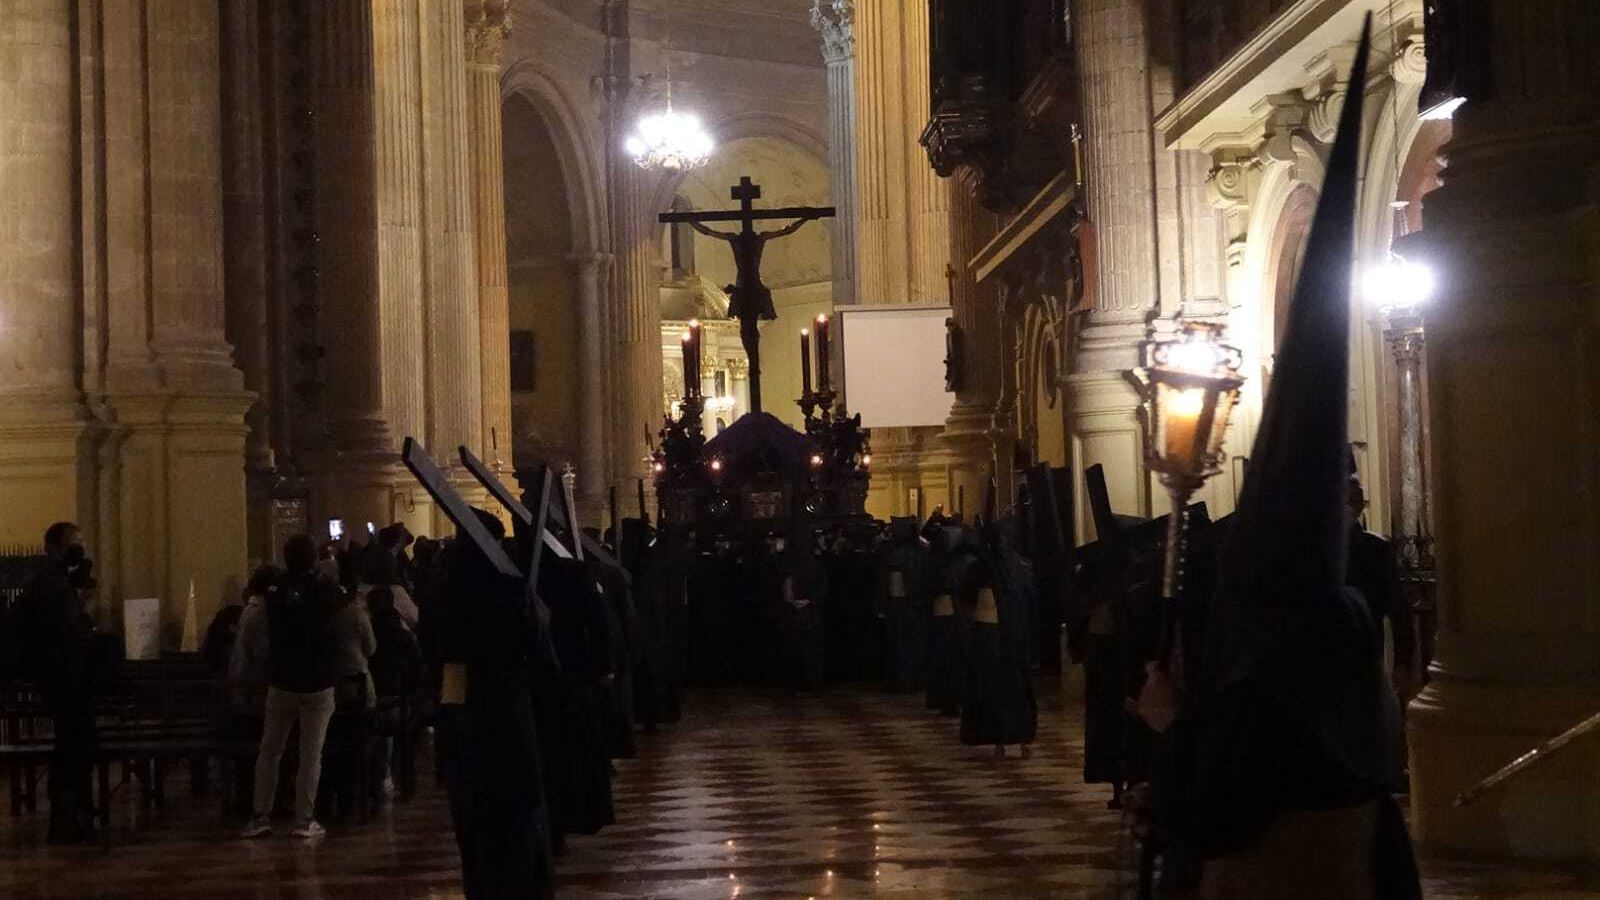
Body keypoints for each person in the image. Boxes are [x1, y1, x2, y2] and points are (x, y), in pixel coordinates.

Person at [426, 508, 557, 899]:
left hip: (460, 716)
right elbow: (539, 655)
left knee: (472, 819)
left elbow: (431, 650)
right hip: (506, 711)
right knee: (516, 812)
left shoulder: (440, 591)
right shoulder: (510, 590)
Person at [241, 535, 344, 839]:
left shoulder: (275, 592)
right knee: (311, 752)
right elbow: (341, 605)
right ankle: (304, 818)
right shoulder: (323, 591)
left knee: (270, 749)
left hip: (282, 678)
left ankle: (261, 815)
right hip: (317, 681)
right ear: (313, 560)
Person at [14, 522, 101, 843]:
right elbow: (68, 633)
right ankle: (69, 818)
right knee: (73, 750)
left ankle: (74, 815)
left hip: (67, 679)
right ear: (54, 548)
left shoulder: (54, 582)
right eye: (73, 545)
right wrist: (84, 612)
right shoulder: (51, 585)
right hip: (64, 680)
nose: (79, 551)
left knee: (74, 748)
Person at [961, 519, 1038, 759]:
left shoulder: (1017, 568)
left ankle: (1020, 738)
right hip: (989, 634)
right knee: (992, 688)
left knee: (1013, 688)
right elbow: (968, 595)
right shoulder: (983, 569)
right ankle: (998, 740)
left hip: (1010, 636)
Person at [878, 517, 929, 693]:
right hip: (899, 602)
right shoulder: (901, 551)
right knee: (899, 643)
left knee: (909, 644)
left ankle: (909, 679)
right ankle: (902, 679)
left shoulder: (916, 552)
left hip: (909, 603)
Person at [205, 564, 277, 676]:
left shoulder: (249, 611)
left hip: (241, 676)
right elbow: (260, 653)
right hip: (253, 681)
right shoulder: (259, 612)